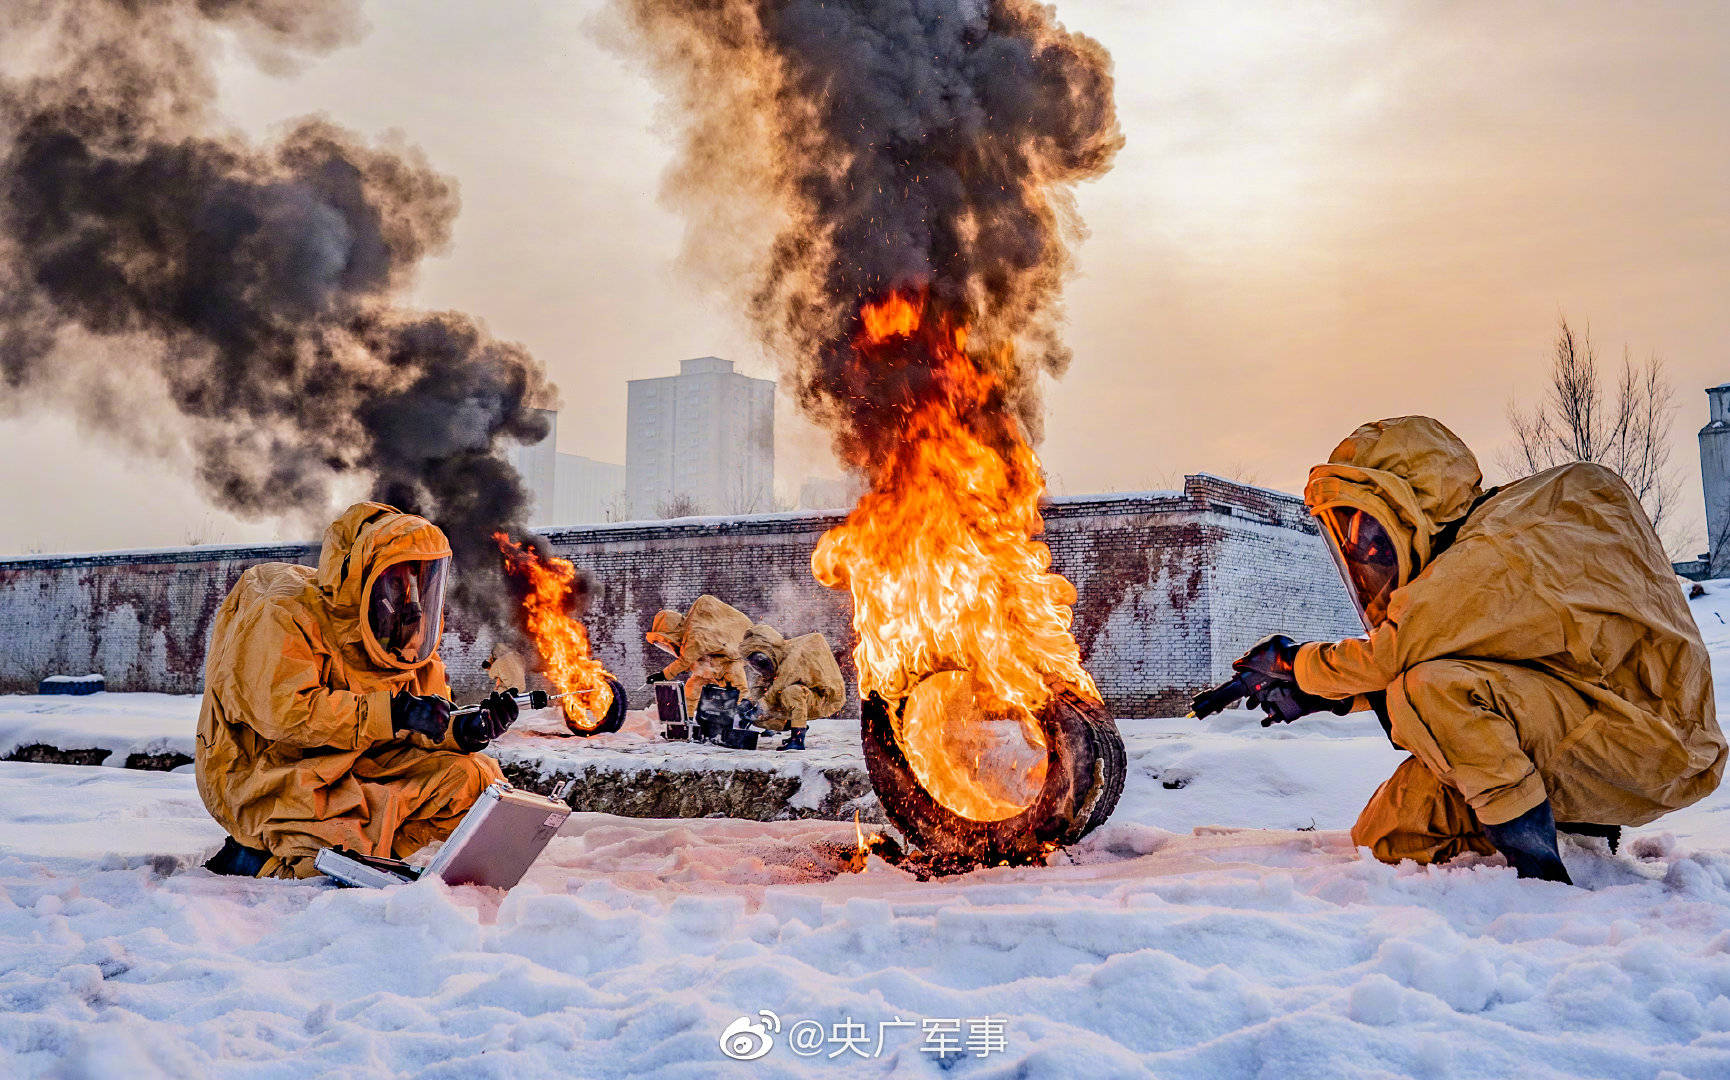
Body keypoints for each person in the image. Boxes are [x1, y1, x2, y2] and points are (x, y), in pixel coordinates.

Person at [1206, 416, 1724, 882]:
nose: (1364, 550)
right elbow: (1474, 660)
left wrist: (1292, 664)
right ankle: (1572, 832)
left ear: (1417, 502)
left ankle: (1541, 875)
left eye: (1368, 530)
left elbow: (1394, 657)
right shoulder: (1490, 550)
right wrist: (1331, 696)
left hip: (1645, 744)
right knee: (1388, 837)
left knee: (1429, 689)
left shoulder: (1496, 548)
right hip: (1589, 722)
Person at [196, 502, 522, 879]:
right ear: (361, 577)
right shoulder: (283, 616)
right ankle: (256, 858)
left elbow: (426, 717)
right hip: (279, 773)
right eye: (398, 578)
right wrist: (393, 713)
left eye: (416, 580)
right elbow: (287, 714)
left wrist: (462, 730)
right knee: (323, 863)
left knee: (475, 779)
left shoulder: (405, 639)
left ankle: (373, 861)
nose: (410, 596)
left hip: (357, 763)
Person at [739, 623, 846, 751]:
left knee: (791, 692)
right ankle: (796, 724)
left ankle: (797, 740)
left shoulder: (796, 654)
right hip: (806, 697)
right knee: (761, 713)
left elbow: (780, 684)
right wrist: (748, 701)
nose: (759, 666)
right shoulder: (778, 658)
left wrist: (760, 707)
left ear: (770, 650)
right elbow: (762, 684)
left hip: (825, 699)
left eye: (760, 661)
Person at [644, 594, 753, 716]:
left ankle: (753, 720)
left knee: (741, 696)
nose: (667, 645)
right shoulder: (690, 635)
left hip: (729, 664)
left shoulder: (695, 633)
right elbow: (688, 658)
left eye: (666, 641)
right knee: (689, 694)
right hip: (707, 667)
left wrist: (663, 675)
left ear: (674, 630)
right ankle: (684, 723)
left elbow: (685, 660)